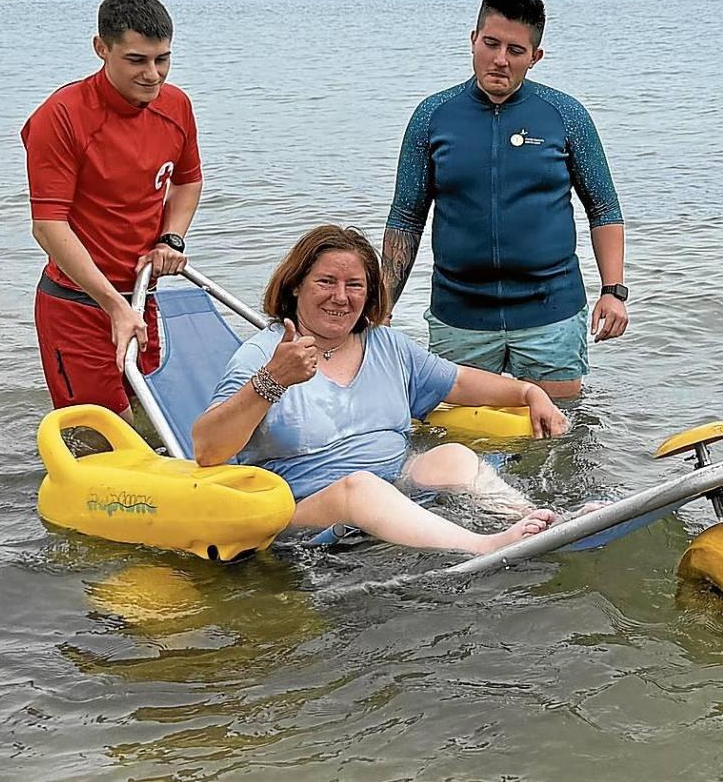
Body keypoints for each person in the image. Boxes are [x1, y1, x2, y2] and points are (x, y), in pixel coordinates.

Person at [193, 225, 576, 554]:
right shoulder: (262, 355)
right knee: (361, 487)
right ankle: (484, 546)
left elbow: (458, 381)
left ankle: (539, 520)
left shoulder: (386, 345)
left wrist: (529, 393)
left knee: (453, 455)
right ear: (295, 286)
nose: (340, 296)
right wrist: (273, 380)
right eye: (326, 281)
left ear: (369, 294)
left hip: (396, 487)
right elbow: (208, 450)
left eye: (354, 285)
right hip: (304, 510)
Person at [381, 0, 628, 400]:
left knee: (561, 429)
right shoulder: (432, 117)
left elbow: (603, 209)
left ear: (535, 56)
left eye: (515, 50)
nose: (500, 60)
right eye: (491, 44)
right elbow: (406, 218)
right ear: (473, 39)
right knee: (457, 432)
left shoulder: (566, 115)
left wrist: (613, 291)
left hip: (551, 313)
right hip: (460, 316)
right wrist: (381, 305)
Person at [25, 0, 202, 413]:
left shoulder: (176, 106)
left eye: (162, 59)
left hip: (142, 296)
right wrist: (113, 306)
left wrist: (171, 240)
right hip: (78, 304)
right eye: (137, 60)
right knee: (102, 431)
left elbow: (188, 182)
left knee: (152, 421)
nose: (153, 75)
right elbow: (47, 226)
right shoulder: (61, 115)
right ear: (101, 48)